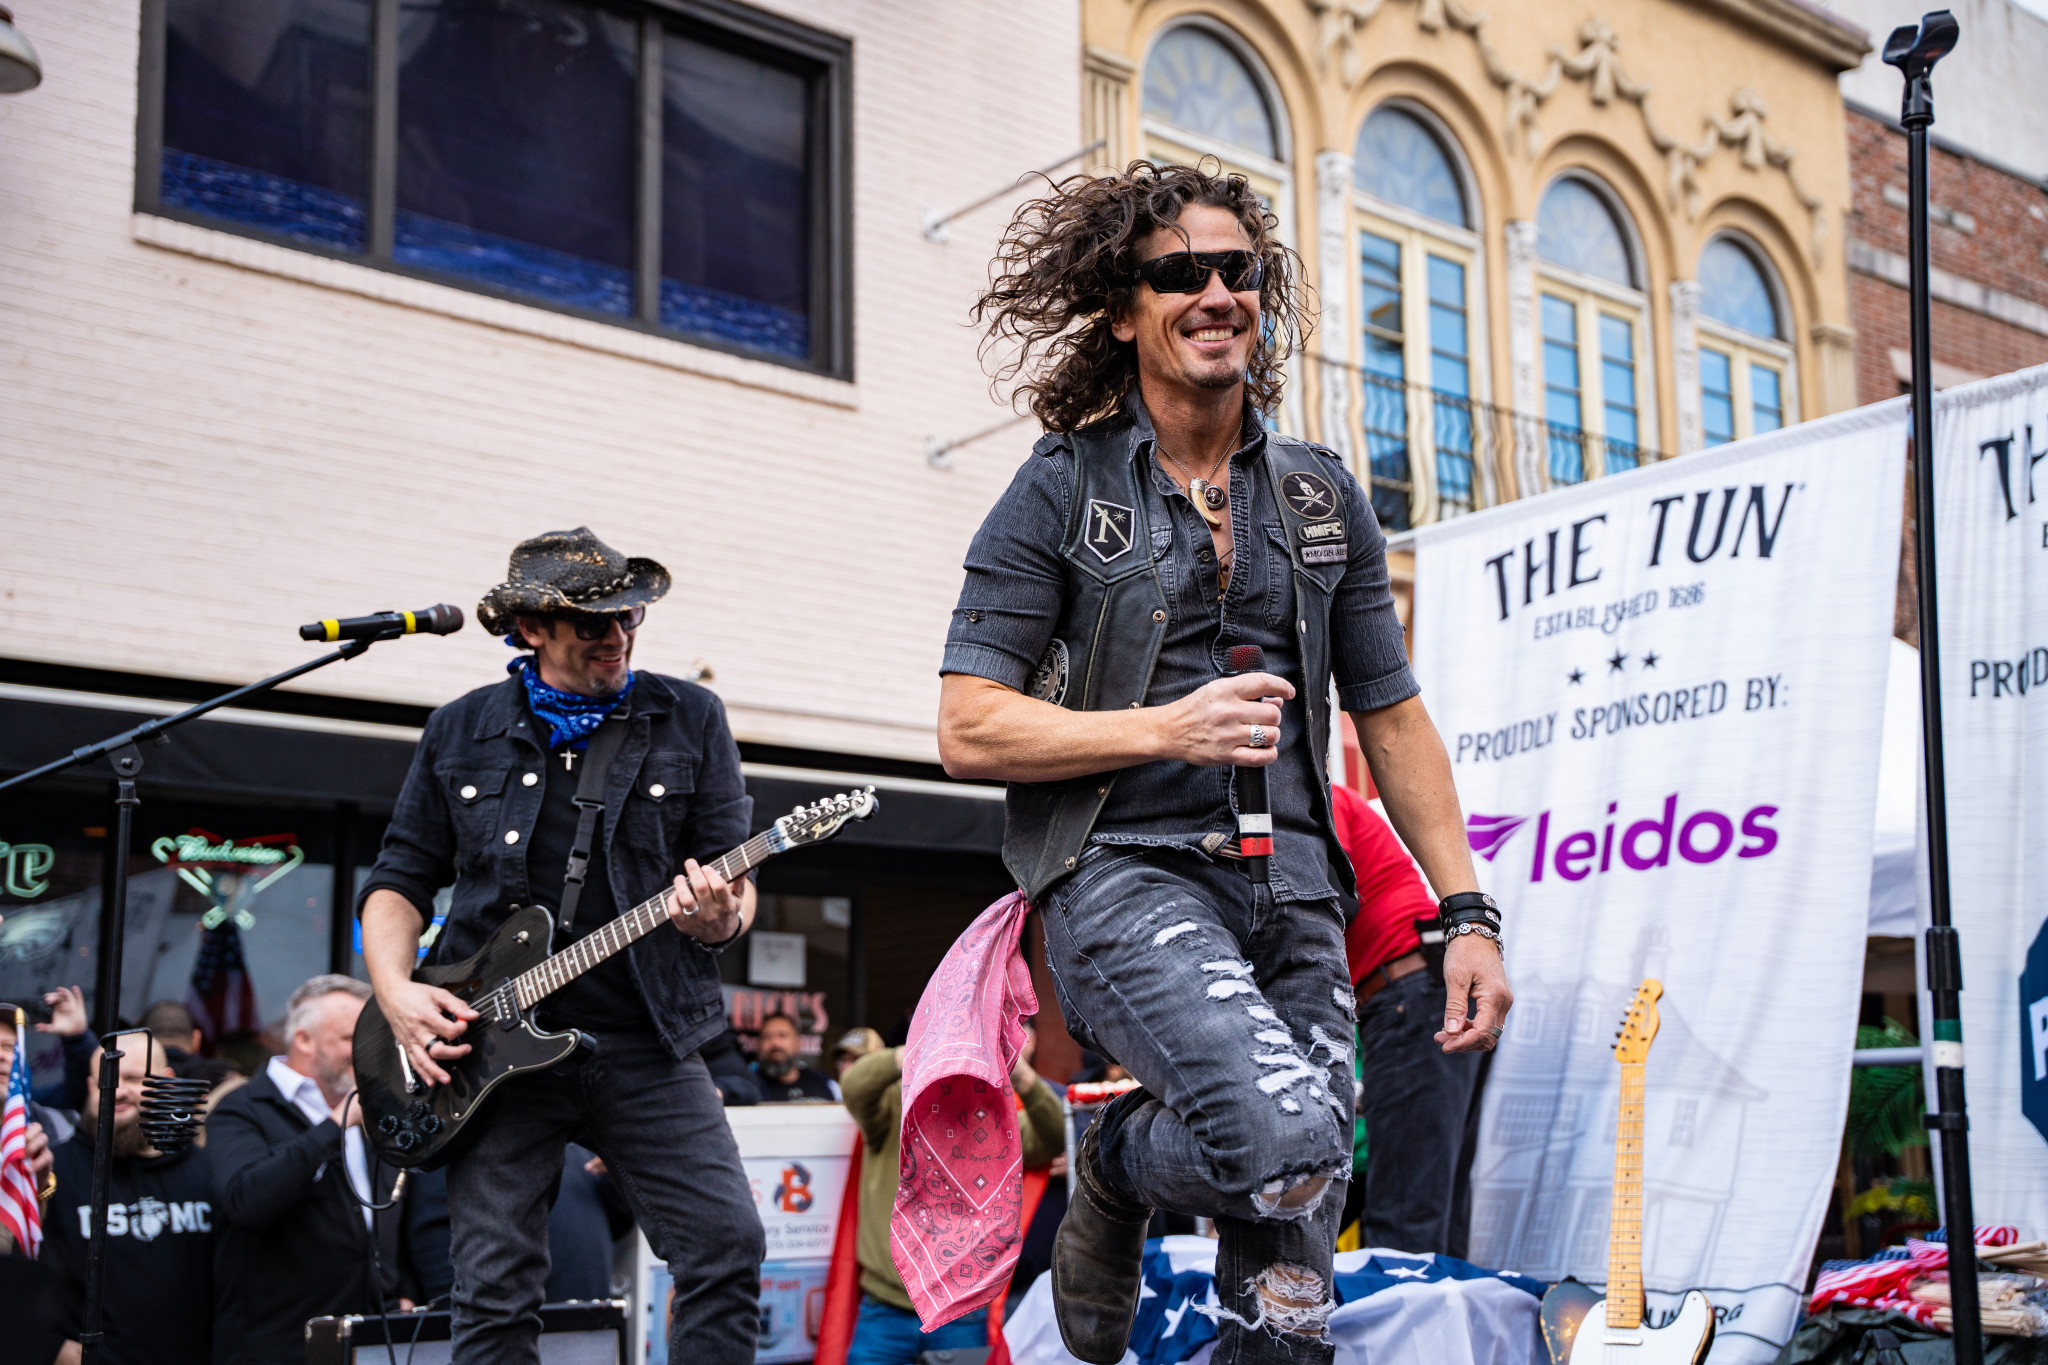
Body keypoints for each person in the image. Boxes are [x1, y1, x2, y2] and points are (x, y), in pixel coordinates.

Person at [936, 160, 1512, 1365]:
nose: (1213, 293)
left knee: (1291, 1275)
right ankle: (1113, 1163)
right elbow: (968, 726)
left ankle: (1151, 1194)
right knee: (1287, 1138)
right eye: (1176, 274)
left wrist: (1464, 915)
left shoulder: (1320, 496)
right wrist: (1162, 728)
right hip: (1123, 877)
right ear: (1121, 310)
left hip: (1297, 892)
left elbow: (1392, 715)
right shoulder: (1059, 487)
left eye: (1235, 269)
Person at [357, 527, 764, 1364]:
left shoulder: (690, 717)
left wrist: (717, 918)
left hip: (648, 1040)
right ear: (531, 628)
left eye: (629, 617)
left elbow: (735, 881)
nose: (617, 636)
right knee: (494, 1289)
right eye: (592, 623)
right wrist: (395, 991)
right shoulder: (461, 728)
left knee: (727, 1248)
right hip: (487, 1048)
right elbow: (399, 875)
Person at [207, 975, 417, 1365]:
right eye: (350, 1038)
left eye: (373, 1037)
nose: (366, 1049)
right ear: (304, 1040)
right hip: (277, 1347)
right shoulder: (243, 1109)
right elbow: (246, 1200)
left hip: (369, 1341)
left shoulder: (371, 1108)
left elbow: (396, 1209)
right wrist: (334, 1126)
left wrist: (402, 1290)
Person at [1331, 783, 1487, 1256]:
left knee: (1407, 1214)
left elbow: (1325, 896)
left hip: (1411, 993)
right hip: (1426, 990)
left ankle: (1405, 1304)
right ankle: (1438, 1299)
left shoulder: (1313, 794)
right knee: (1434, 1198)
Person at [841, 1041, 1064, 1365]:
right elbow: (855, 1087)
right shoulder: (895, 1110)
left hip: (959, 1313)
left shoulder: (990, 1123)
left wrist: (1021, 1074)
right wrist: (924, 1044)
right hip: (884, 1310)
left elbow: (1052, 1136)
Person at [42, 1037, 216, 1365]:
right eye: (106, 1081)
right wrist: (52, 1347)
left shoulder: (207, 1170)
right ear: (90, 1087)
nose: (118, 1091)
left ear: (166, 1082)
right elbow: (23, 1278)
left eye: (134, 1079)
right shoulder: (54, 1173)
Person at [752, 1011, 835, 1101]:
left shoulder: (823, 1082)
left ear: (797, 1042)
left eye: (782, 1035)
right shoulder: (750, 1087)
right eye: (767, 1036)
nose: (775, 1043)